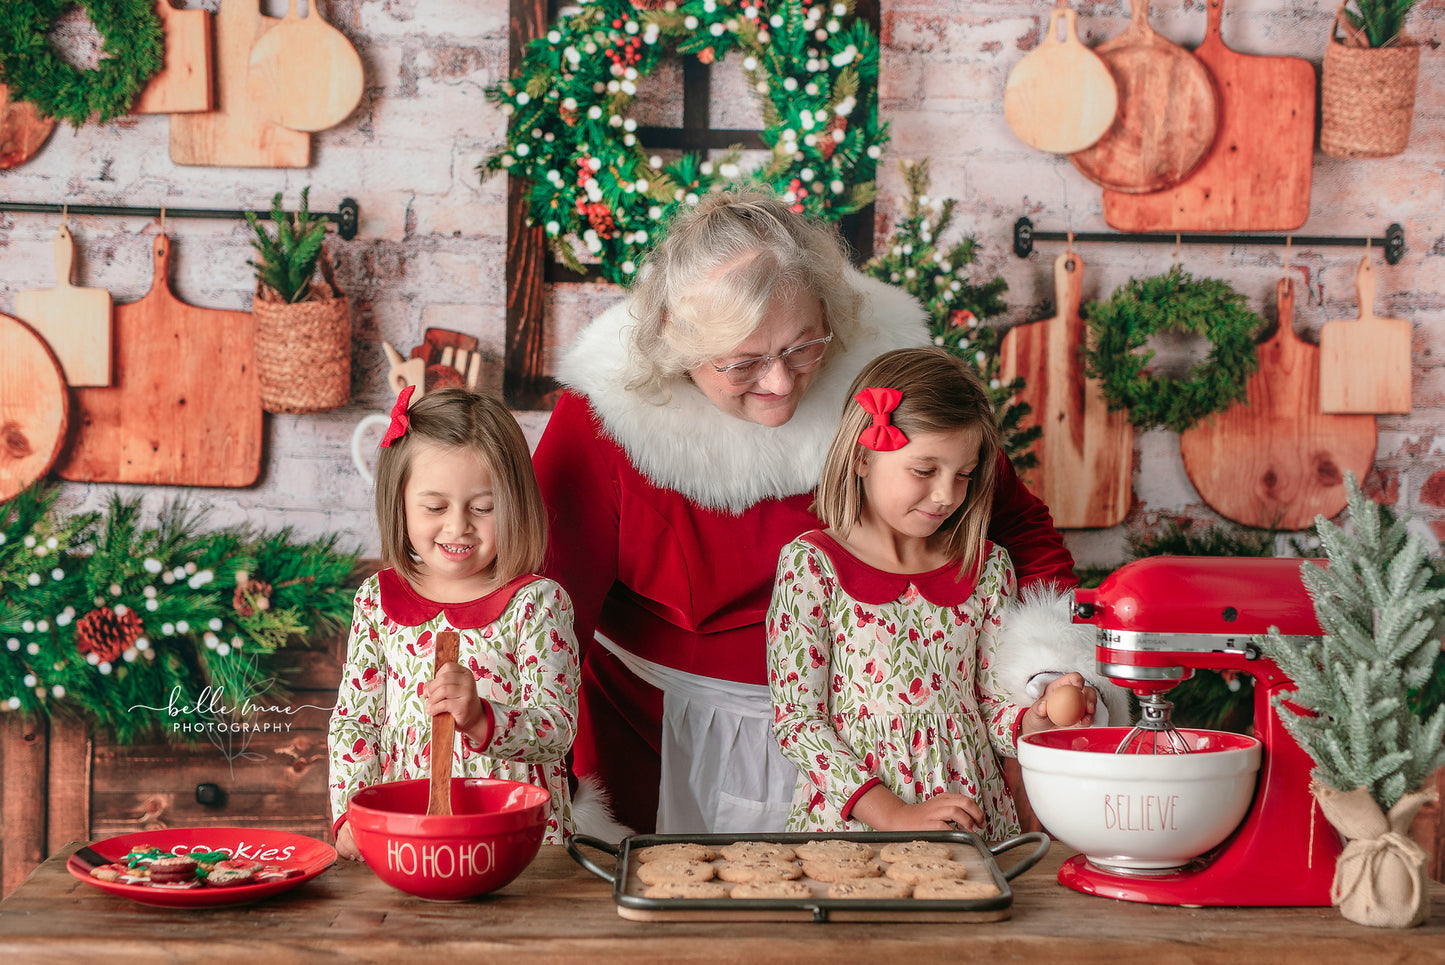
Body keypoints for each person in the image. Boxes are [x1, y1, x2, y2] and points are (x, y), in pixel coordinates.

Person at [532, 187, 1082, 837]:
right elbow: (543, 617)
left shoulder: (887, 378)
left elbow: (1014, 525)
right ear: (680, 350)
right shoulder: (604, 420)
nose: (779, 383)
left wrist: (1043, 671)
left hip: (899, 750)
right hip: (656, 735)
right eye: (742, 363)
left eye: (801, 347)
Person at [768, 347, 1088, 838]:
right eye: (924, 471)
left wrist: (1031, 723)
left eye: (964, 475)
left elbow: (988, 703)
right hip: (857, 830)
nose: (946, 495)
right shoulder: (812, 567)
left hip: (973, 821)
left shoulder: (986, 569)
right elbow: (800, 724)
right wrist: (893, 814)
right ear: (861, 457)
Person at [329, 387, 580, 855]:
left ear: (515, 503)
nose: (458, 526)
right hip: (409, 841)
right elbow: (356, 722)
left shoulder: (536, 604)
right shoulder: (377, 601)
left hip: (521, 848)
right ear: (399, 503)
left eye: (483, 508)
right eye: (435, 507)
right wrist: (350, 813)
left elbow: (557, 729)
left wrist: (483, 717)